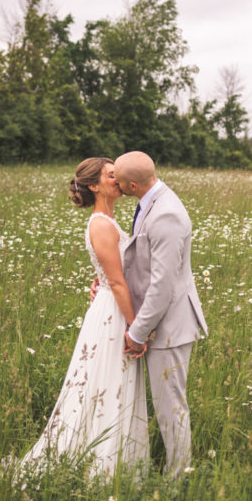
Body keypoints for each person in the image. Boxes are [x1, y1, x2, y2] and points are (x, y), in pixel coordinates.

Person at [18, 157, 149, 477]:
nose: (117, 180)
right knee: (102, 381)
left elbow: (114, 271)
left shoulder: (109, 220)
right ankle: (96, 463)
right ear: (94, 185)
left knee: (110, 382)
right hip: (114, 314)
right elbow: (117, 282)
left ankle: (114, 459)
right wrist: (136, 328)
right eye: (110, 176)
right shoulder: (101, 224)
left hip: (113, 305)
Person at [114, 150, 208, 477]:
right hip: (160, 321)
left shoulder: (166, 214)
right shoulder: (150, 202)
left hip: (170, 327)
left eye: (119, 180)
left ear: (132, 184)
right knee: (166, 405)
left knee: (171, 408)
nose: (115, 183)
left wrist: (137, 332)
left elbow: (163, 285)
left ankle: (178, 478)